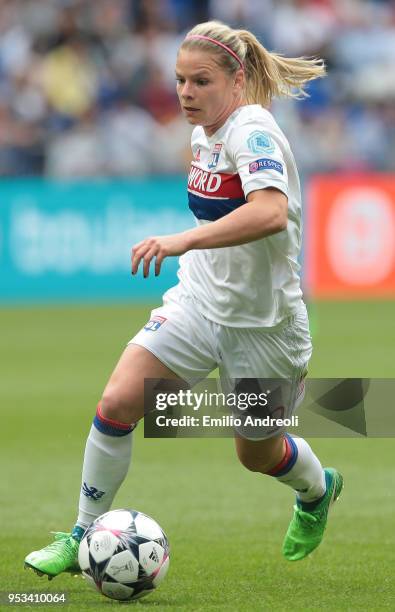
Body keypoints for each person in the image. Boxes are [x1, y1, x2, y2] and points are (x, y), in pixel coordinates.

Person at [24, 20, 343, 579]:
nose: (187, 93)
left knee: (257, 455)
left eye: (201, 82)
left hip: (264, 326)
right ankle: (81, 535)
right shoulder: (201, 132)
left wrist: (181, 239)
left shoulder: (253, 131)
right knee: (119, 399)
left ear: (236, 82)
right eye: (179, 81)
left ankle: (318, 490)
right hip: (198, 301)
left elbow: (270, 212)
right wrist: (194, 251)